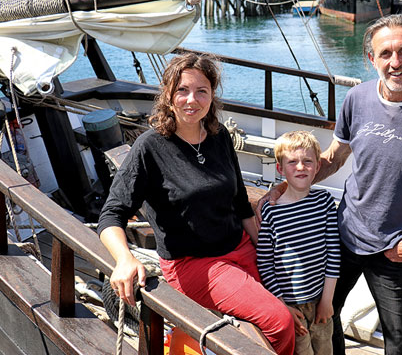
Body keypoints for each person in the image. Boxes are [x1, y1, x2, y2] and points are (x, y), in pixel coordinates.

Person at [258, 15, 402, 355]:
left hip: (398, 251)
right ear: (371, 59)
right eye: (385, 53)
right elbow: (334, 157)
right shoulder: (356, 99)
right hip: (344, 236)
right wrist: (286, 186)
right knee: (326, 319)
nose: (395, 62)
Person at [97, 53, 295, 355]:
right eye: (182, 90)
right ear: (168, 95)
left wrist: (266, 254)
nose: (192, 99)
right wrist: (124, 259)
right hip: (194, 263)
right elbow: (112, 213)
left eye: (202, 91)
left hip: (240, 247)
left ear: (212, 95)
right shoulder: (150, 147)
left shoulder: (219, 137)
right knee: (279, 321)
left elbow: (240, 203)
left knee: (295, 299)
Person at [256, 131, 340, 355]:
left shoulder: (324, 202)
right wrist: (283, 306)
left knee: (325, 350)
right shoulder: (271, 212)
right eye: (292, 162)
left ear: (317, 167)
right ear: (280, 169)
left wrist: (327, 301)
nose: (300, 167)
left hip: (321, 299)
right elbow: (265, 263)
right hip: (292, 308)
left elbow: (333, 252)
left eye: (307, 161)